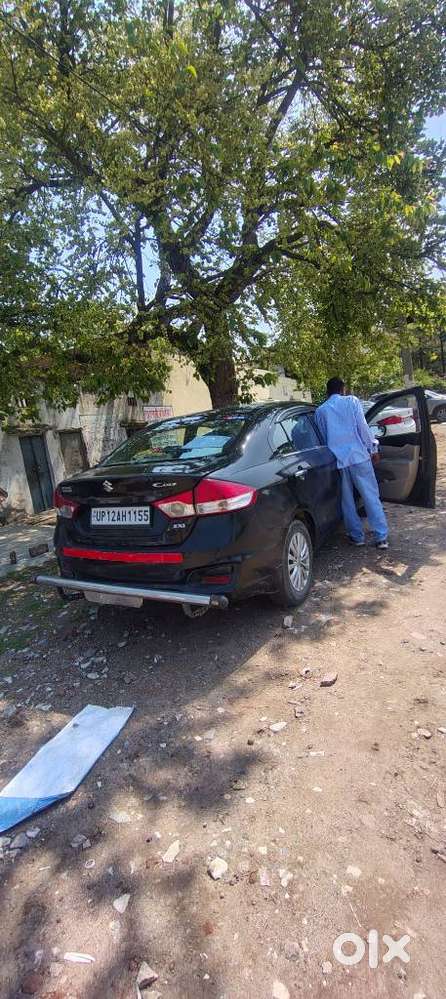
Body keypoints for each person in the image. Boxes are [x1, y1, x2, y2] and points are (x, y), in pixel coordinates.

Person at [315, 377, 389, 549]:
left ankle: (357, 537)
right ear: (343, 389)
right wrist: (373, 448)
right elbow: (362, 427)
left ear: (328, 391)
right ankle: (381, 537)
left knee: (346, 501)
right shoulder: (352, 401)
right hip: (359, 456)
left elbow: (324, 439)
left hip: (339, 461)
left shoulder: (321, 411)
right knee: (371, 496)